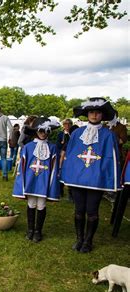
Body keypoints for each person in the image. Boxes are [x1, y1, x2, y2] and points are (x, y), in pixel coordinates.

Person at [61, 97, 121, 253]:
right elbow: (71, 155)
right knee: (79, 210)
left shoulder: (109, 135)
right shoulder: (77, 134)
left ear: (102, 115)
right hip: (78, 180)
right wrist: (68, 175)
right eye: (91, 112)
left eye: (98, 112)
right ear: (87, 114)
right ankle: (79, 239)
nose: (94, 115)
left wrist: (108, 180)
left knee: (92, 211)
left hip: (96, 180)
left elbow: (111, 159)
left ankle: (88, 241)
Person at [12, 117, 60, 242]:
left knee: (41, 205)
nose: (43, 133)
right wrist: (22, 182)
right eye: (40, 130)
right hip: (30, 180)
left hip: (44, 181)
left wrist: (52, 182)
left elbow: (54, 166)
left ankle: (38, 231)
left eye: (45, 131)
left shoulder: (53, 147)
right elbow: (22, 165)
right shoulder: (28, 147)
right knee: (31, 203)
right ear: (35, 131)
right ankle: (30, 229)